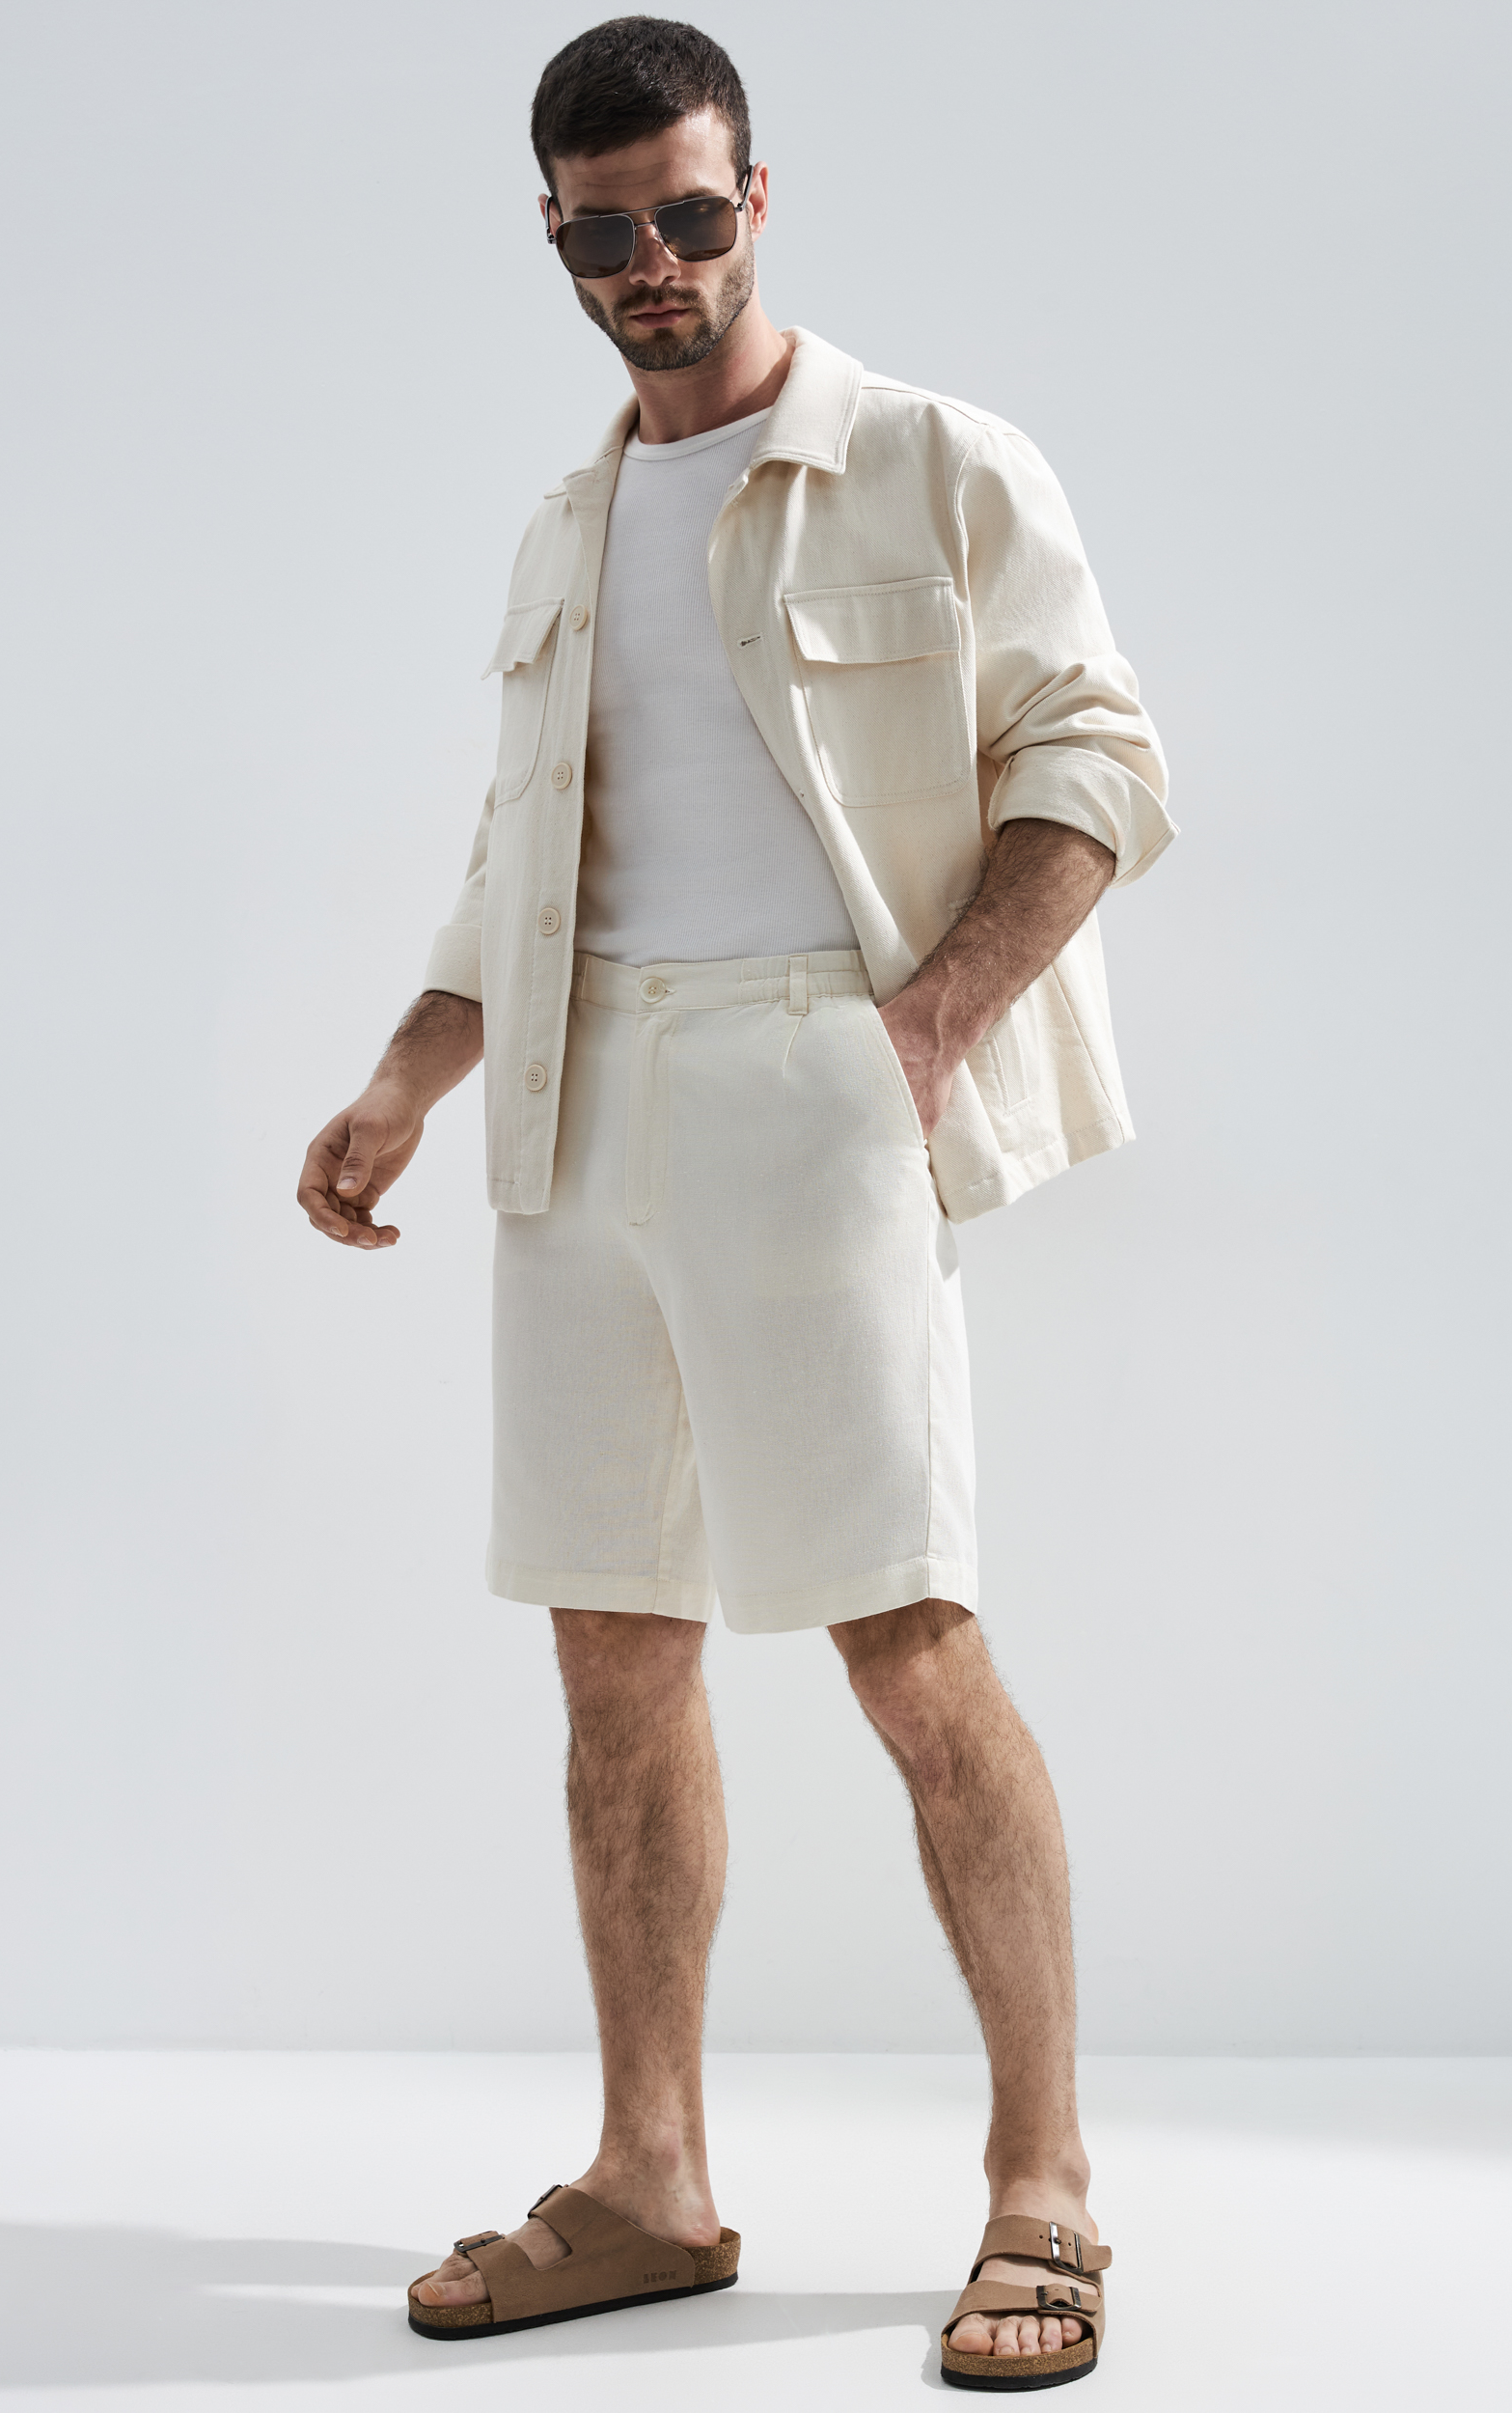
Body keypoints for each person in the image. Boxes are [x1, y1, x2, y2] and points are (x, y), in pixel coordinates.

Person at [296, 15, 1172, 2390]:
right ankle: (651, 2179)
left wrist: (928, 1025)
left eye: (690, 214)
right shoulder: (563, 523)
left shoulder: (927, 458)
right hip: (572, 1101)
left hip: (816, 1073)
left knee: (904, 1634)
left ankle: (1043, 2181)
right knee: (612, 1649)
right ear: (554, 234)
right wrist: (402, 1074)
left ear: (755, 197)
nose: (652, 263)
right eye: (605, 232)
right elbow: (521, 855)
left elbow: (1098, 753)